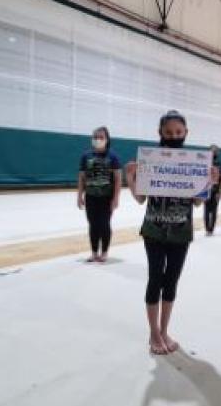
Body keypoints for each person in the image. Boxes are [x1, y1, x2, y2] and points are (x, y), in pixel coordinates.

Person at [125, 110, 211, 355]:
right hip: (154, 229)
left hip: (181, 232)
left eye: (178, 132)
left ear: (185, 134)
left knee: (171, 281)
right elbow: (141, 198)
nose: (174, 136)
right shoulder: (150, 160)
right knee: (155, 279)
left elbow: (196, 203)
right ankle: (153, 333)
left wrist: (209, 183)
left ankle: (164, 331)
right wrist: (131, 177)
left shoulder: (194, 162)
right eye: (168, 132)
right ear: (160, 133)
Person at [77, 126, 121, 263]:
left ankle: (105, 252)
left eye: (101, 137)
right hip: (91, 197)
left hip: (106, 197)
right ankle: (94, 252)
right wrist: (79, 195)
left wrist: (115, 198)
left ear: (107, 139)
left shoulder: (113, 157)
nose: (98, 140)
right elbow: (82, 177)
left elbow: (118, 179)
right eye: (95, 137)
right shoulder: (86, 156)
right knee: (93, 225)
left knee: (104, 224)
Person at [204, 144, 221, 236]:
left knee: (213, 210)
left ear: (218, 152)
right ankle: (207, 229)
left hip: (215, 190)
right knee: (206, 210)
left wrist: (220, 192)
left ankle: (211, 229)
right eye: (212, 150)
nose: (213, 152)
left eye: (215, 151)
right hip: (206, 190)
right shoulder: (205, 163)